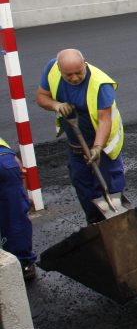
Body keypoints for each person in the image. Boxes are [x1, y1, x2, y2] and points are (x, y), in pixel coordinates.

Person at [35, 49, 125, 224]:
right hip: (76, 144)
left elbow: (104, 119)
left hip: (104, 144)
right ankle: (95, 225)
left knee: (109, 186)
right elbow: (41, 97)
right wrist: (56, 105)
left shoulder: (100, 84)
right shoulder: (52, 70)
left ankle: (118, 223)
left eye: (79, 72)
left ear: (85, 64)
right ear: (60, 70)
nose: (75, 78)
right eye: (69, 75)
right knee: (83, 186)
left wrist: (97, 148)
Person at [0, 138, 35, 282]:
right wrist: (22, 200)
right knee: (15, 217)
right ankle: (24, 264)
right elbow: (16, 162)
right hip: (5, 161)